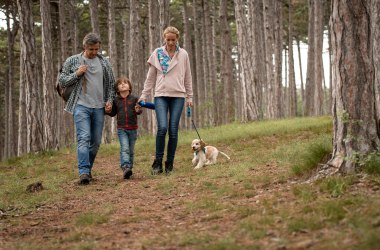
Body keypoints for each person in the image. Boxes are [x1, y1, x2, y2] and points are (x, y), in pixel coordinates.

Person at [59, 32, 115, 185]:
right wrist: (77, 74)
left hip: (98, 107)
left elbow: (111, 85)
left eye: (97, 49)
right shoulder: (73, 61)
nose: (94, 52)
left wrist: (109, 101)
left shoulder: (105, 63)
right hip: (80, 105)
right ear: (84, 47)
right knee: (84, 138)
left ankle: (87, 169)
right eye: (91, 49)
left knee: (96, 142)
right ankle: (83, 172)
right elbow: (62, 80)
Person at [138, 26, 193, 175]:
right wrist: (144, 95)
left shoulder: (183, 54)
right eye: (167, 39)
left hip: (178, 96)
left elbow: (187, 76)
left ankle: (170, 164)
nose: (170, 42)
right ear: (164, 38)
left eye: (173, 40)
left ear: (177, 39)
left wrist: (189, 97)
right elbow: (151, 77)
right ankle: (157, 163)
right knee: (162, 128)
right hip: (161, 95)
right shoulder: (157, 53)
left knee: (173, 131)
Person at [107, 77, 142, 179]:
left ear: (129, 87)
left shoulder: (134, 99)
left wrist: (138, 110)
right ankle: (125, 166)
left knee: (130, 150)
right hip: (121, 128)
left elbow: (139, 111)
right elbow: (113, 113)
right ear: (117, 89)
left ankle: (129, 169)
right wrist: (108, 110)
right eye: (120, 83)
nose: (123, 84)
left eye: (125, 83)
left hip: (133, 128)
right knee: (125, 148)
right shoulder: (116, 100)